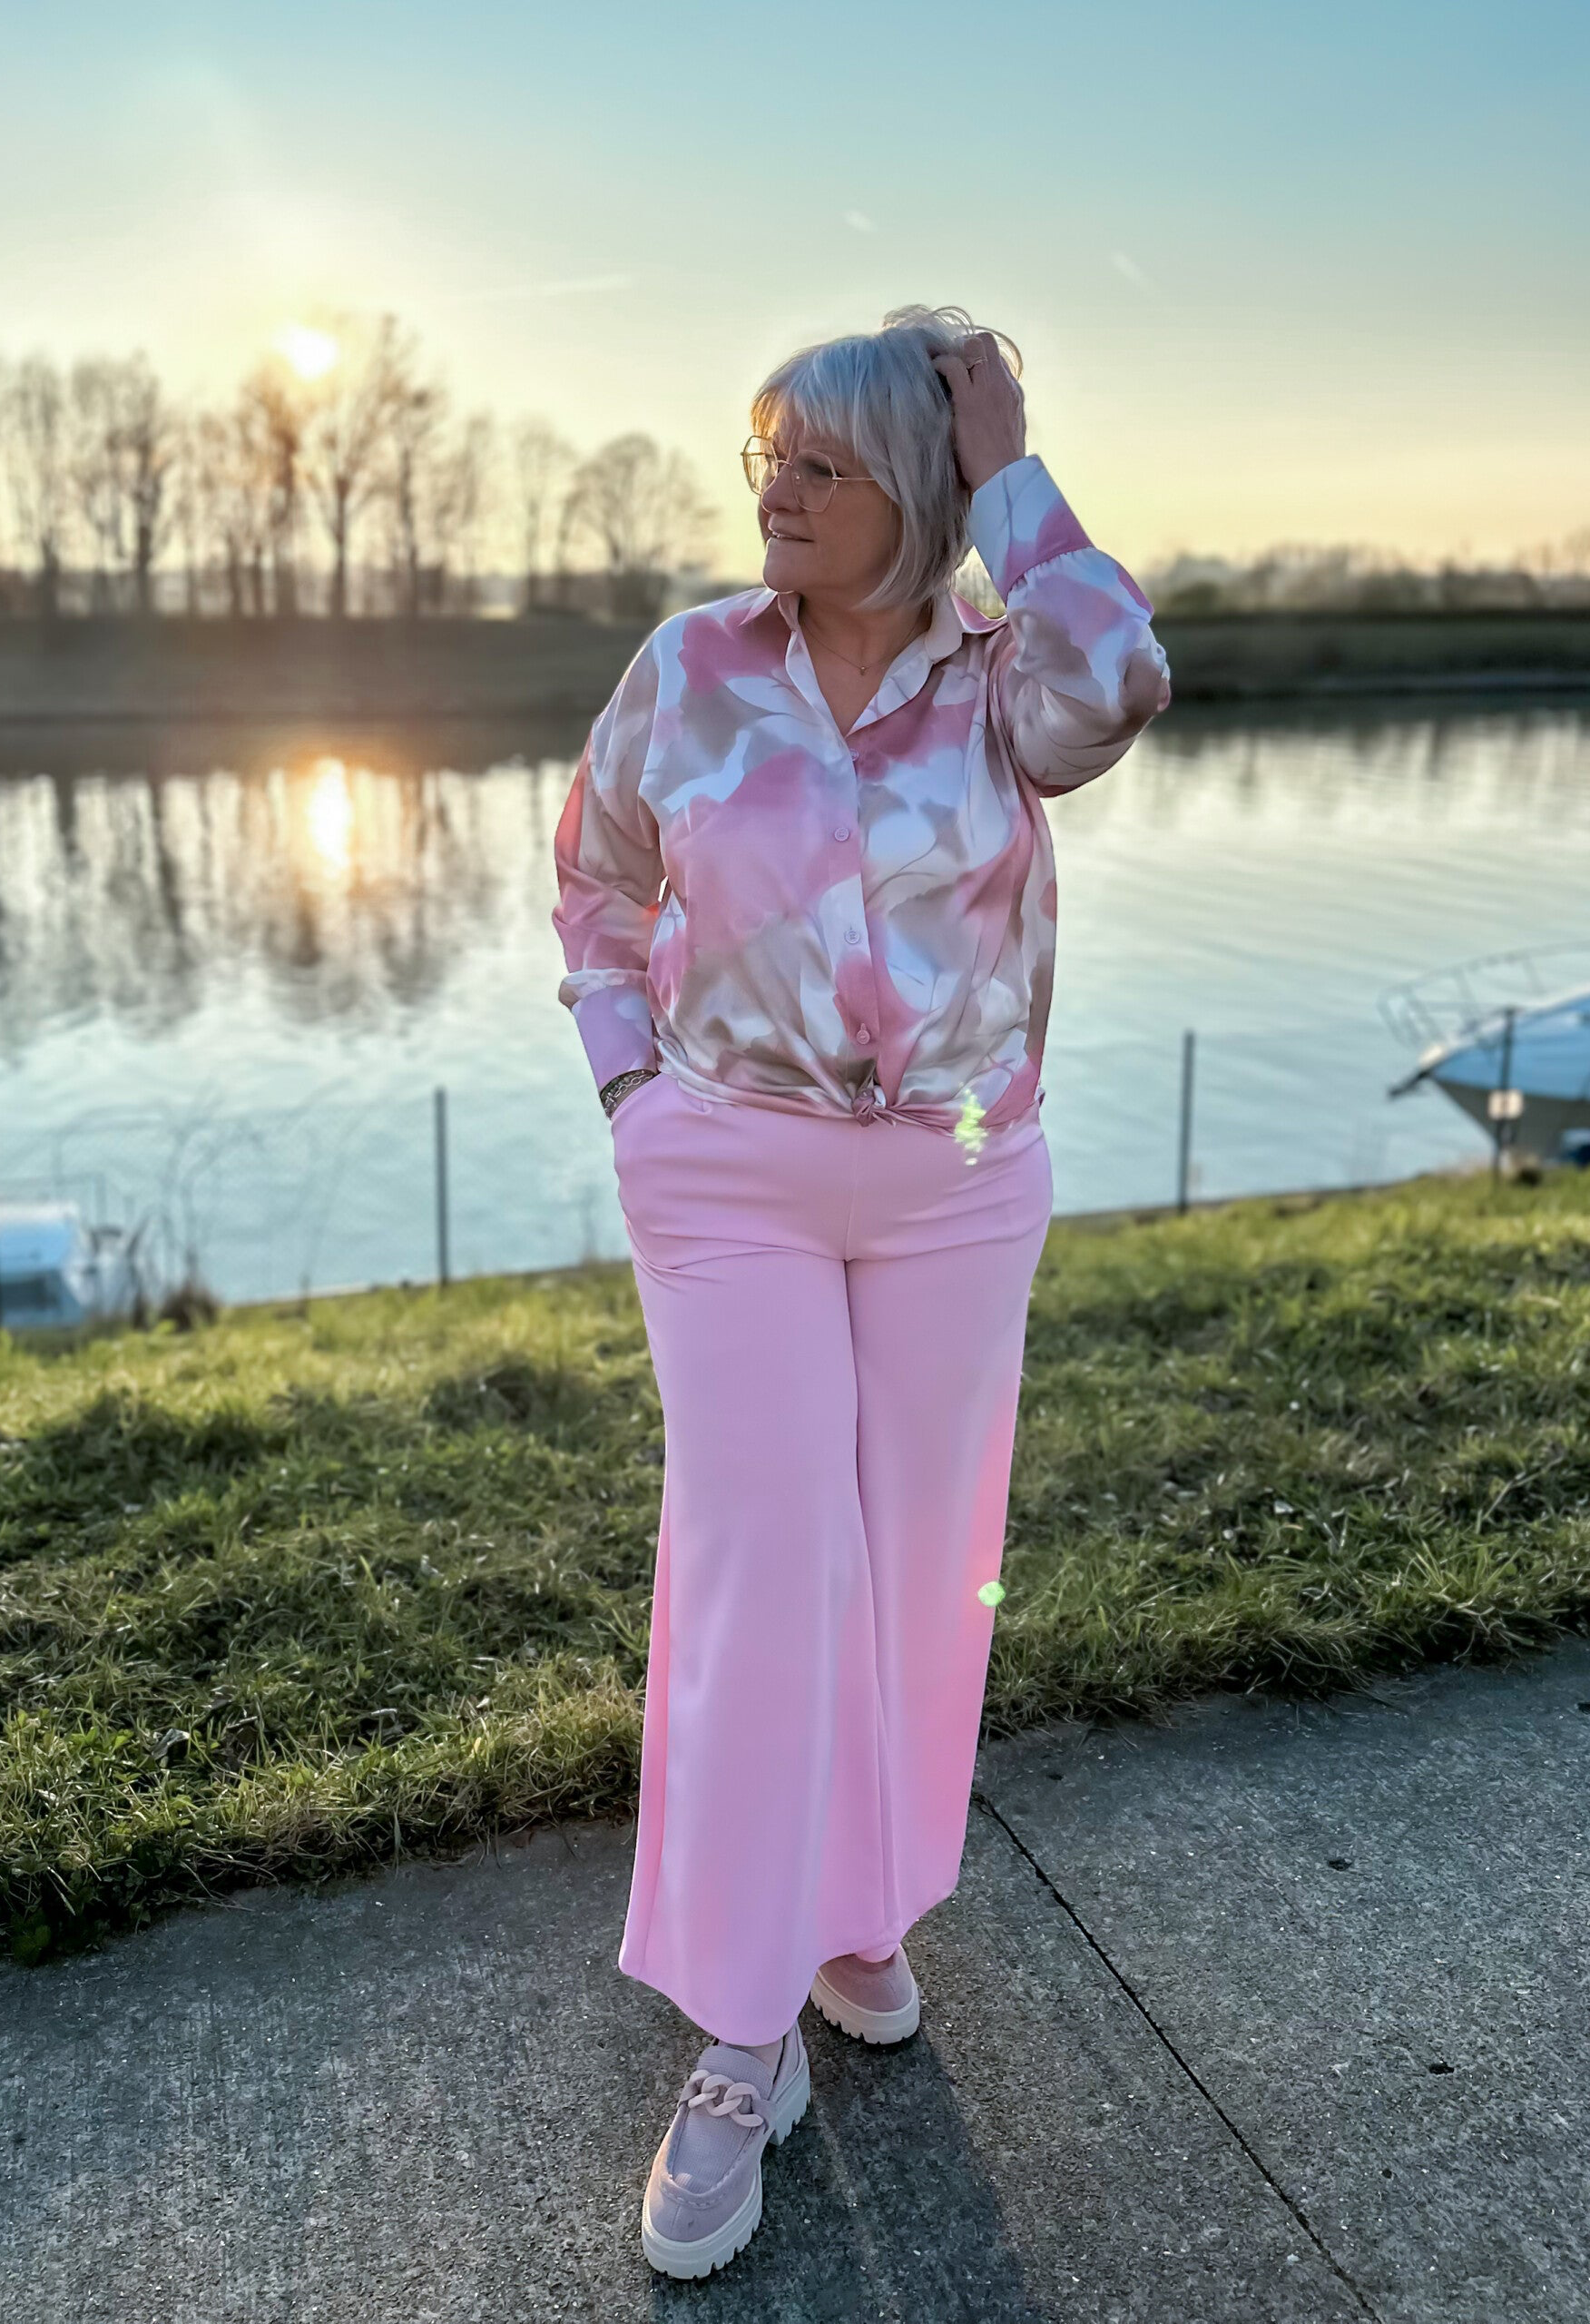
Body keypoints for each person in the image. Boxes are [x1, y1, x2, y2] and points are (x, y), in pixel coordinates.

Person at [550, 302, 1171, 2280]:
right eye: (771, 457)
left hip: (958, 1186)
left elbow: (1123, 675)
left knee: (918, 1561)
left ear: (917, 488)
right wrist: (633, 1091)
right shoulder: (689, 668)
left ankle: (853, 1913)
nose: (779, 490)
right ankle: (745, 2032)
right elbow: (596, 882)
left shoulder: (1005, 681)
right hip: (726, 1169)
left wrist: (1017, 472)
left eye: (821, 463)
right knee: (762, 1556)